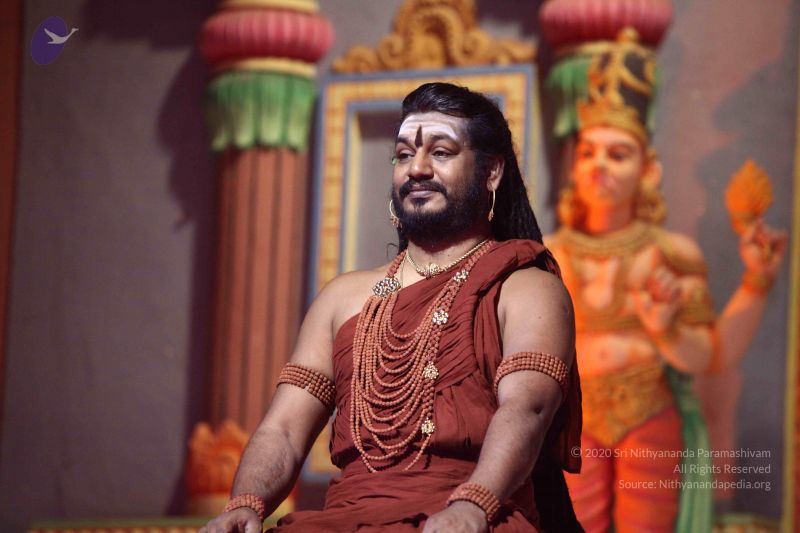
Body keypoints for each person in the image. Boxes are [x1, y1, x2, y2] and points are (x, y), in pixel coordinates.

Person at [199, 82, 583, 532]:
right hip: (343, 521)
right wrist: (245, 503)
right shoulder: (343, 298)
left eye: (441, 152)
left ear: (492, 171)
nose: (416, 168)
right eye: (403, 155)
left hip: (474, 518)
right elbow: (283, 429)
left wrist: (473, 504)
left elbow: (527, 409)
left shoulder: (526, 287)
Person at [546, 33, 788, 533]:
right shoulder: (550, 255)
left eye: (618, 154)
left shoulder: (671, 254)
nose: (599, 166)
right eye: (588, 153)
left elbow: (711, 356)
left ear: (649, 169)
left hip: (649, 417)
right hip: (573, 421)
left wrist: (672, 327)